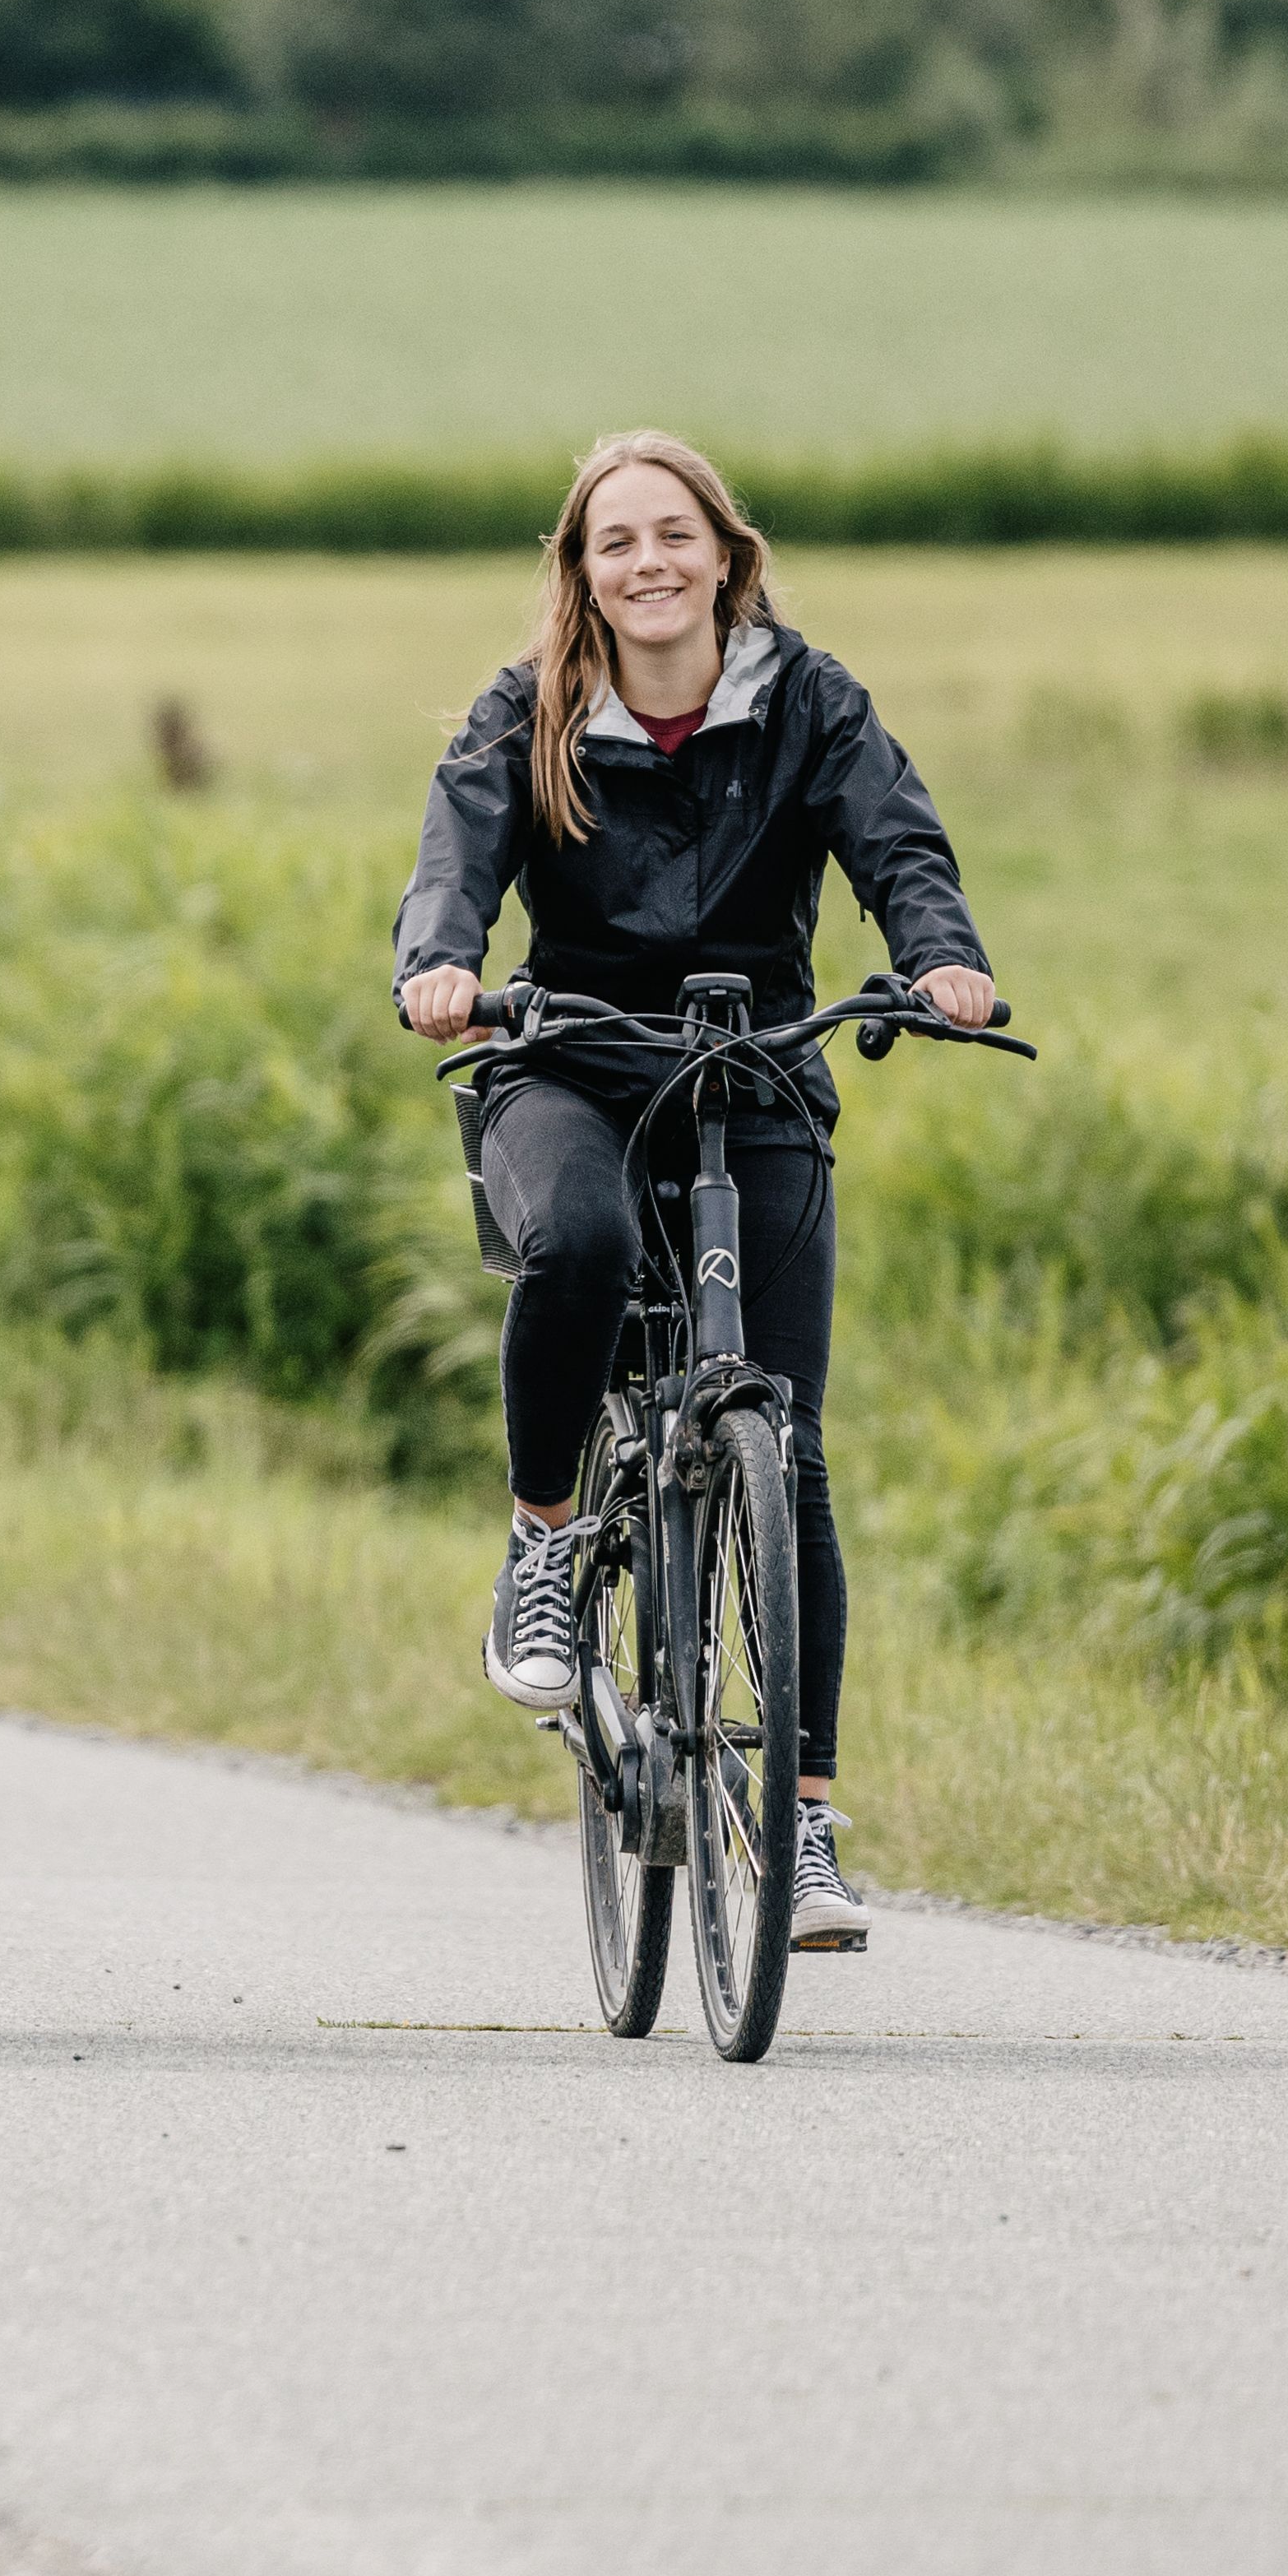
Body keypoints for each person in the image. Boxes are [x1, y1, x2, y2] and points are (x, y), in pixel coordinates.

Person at [390, 427, 999, 1956]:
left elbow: (895, 838)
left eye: (677, 536)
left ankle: (795, 1828)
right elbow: (455, 860)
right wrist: (441, 967)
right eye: (617, 542)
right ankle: (544, 1543)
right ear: (580, 572)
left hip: (758, 1067)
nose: (650, 563)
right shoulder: (529, 711)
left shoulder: (808, 700)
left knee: (781, 1448)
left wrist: (941, 956)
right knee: (579, 1242)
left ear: (727, 553)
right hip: (570, 1059)